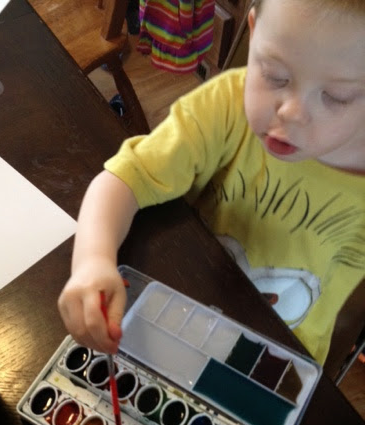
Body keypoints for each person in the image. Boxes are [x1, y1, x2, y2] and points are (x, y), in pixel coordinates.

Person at [58, 0, 365, 366]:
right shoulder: (225, 107)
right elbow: (124, 179)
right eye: (275, 75)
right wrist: (92, 260)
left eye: (335, 97)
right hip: (176, 307)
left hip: (274, 356)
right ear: (254, 32)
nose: (291, 113)